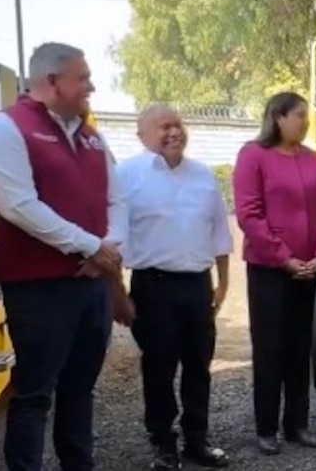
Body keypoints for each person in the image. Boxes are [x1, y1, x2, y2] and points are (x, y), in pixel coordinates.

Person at [0, 42, 131, 471]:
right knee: (34, 393)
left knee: (80, 390)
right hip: (39, 290)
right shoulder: (6, 129)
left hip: (93, 286)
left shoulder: (91, 136)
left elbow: (117, 199)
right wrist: (90, 246)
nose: (91, 85)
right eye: (83, 77)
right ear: (52, 81)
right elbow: (17, 204)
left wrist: (108, 249)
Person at [116, 104, 233, 469]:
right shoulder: (126, 175)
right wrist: (117, 294)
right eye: (164, 126)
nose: (174, 132)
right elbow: (114, 236)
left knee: (199, 365)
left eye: (178, 125)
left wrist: (223, 283)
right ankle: (163, 442)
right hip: (153, 286)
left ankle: (197, 439)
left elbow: (219, 231)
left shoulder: (202, 175)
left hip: (198, 285)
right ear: (143, 135)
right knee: (159, 367)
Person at [233, 92, 316, 455]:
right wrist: (284, 257)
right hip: (270, 270)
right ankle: (266, 428)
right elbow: (249, 214)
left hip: (307, 269)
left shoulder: (312, 159)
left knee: (298, 347)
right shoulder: (253, 155)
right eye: (299, 116)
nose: (305, 122)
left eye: (306, 116)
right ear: (277, 117)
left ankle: (297, 424)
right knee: (270, 348)